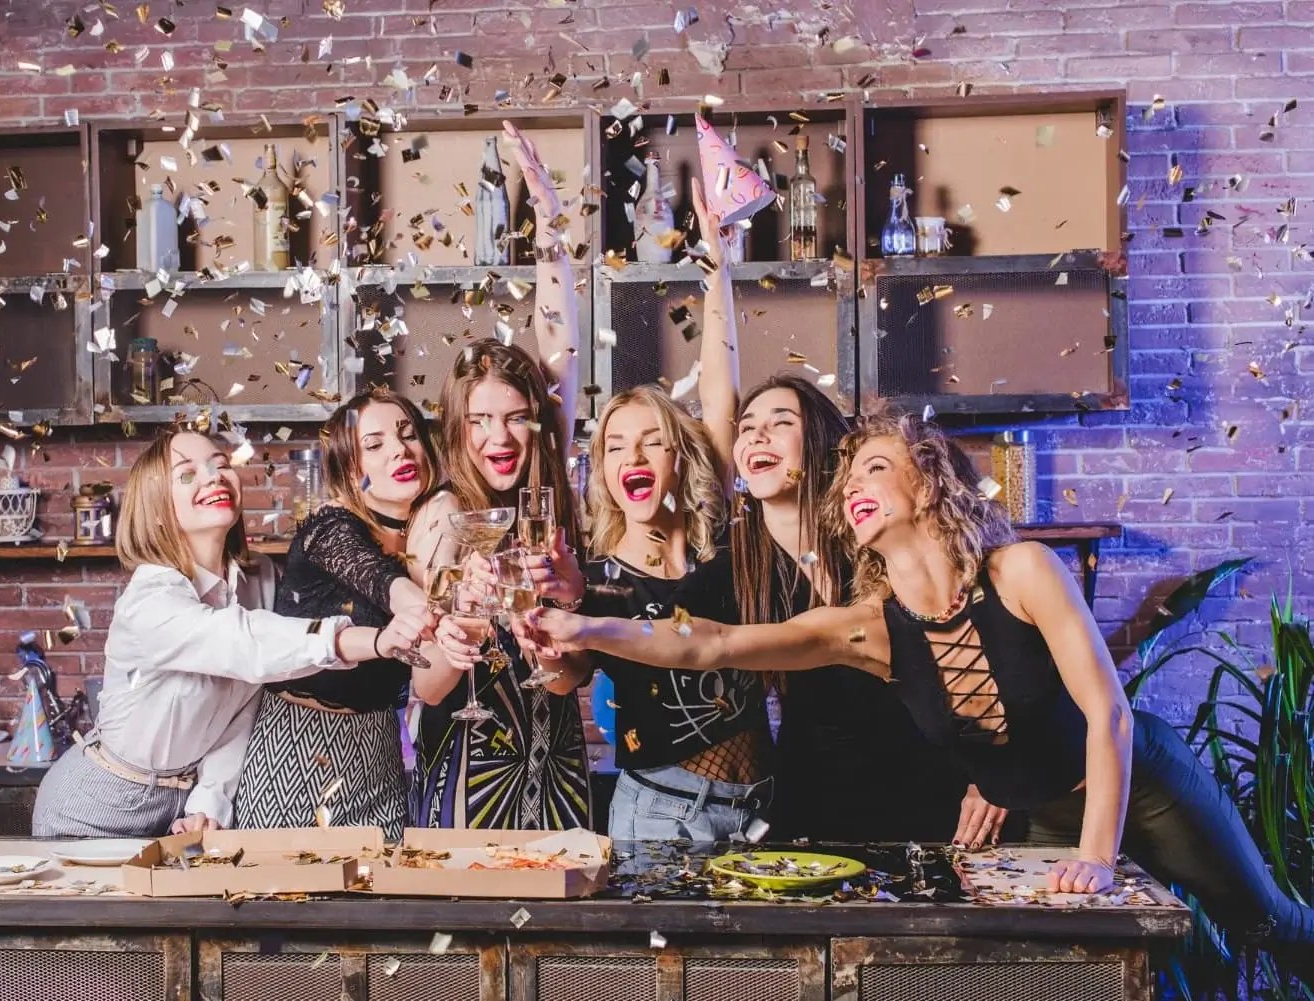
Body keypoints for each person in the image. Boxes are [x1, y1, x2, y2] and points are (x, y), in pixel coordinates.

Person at [525, 412, 1314, 968]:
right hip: (1042, 814)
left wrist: (1098, 857)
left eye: (877, 465)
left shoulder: (1022, 570)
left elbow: (1107, 710)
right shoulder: (872, 628)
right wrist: (588, 627)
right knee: (1058, 969)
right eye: (849, 478)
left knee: (1266, 922)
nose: (855, 484)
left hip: (1142, 785)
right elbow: (711, 640)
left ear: (931, 481)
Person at [685, 178, 974, 844]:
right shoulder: (742, 555)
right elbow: (717, 400)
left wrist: (992, 779)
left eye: (779, 423)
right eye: (748, 428)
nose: (755, 436)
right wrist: (719, 271)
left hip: (931, 790)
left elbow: (983, 652)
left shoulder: (873, 532)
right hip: (812, 800)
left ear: (816, 443)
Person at [32, 430, 428, 839]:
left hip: (179, 807)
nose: (214, 477)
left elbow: (245, 705)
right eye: (187, 474)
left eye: (221, 465)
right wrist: (371, 640)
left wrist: (209, 801)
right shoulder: (149, 600)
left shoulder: (259, 578)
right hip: (96, 804)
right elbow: (243, 644)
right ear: (157, 509)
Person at [406, 121, 592, 831]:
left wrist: (548, 218)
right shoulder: (444, 513)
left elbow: (563, 346)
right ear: (456, 429)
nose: (499, 438)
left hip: (559, 769)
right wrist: (465, 620)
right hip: (470, 774)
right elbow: (427, 687)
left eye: (515, 417)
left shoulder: (546, 504)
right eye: (479, 421)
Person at [561, 384, 772, 841]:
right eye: (616, 447)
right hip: (663, 813)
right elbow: (561, 679)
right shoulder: (596, 584)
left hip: (763, 809)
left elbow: (722, 396)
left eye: (653, 441)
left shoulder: (724, 553)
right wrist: (552, 617)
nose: (633, 457)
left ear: (682, 458)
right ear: (604, 471)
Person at [235, 391, 440, 840]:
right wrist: (419, 603)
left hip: (379, 750)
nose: (400, 451)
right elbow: (376, 577)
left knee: (383, 882)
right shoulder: (330, 527)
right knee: (283, 881)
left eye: (408, 436)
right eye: (375, 445)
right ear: (351, 469)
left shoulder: (427, 534)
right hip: (296, 750)